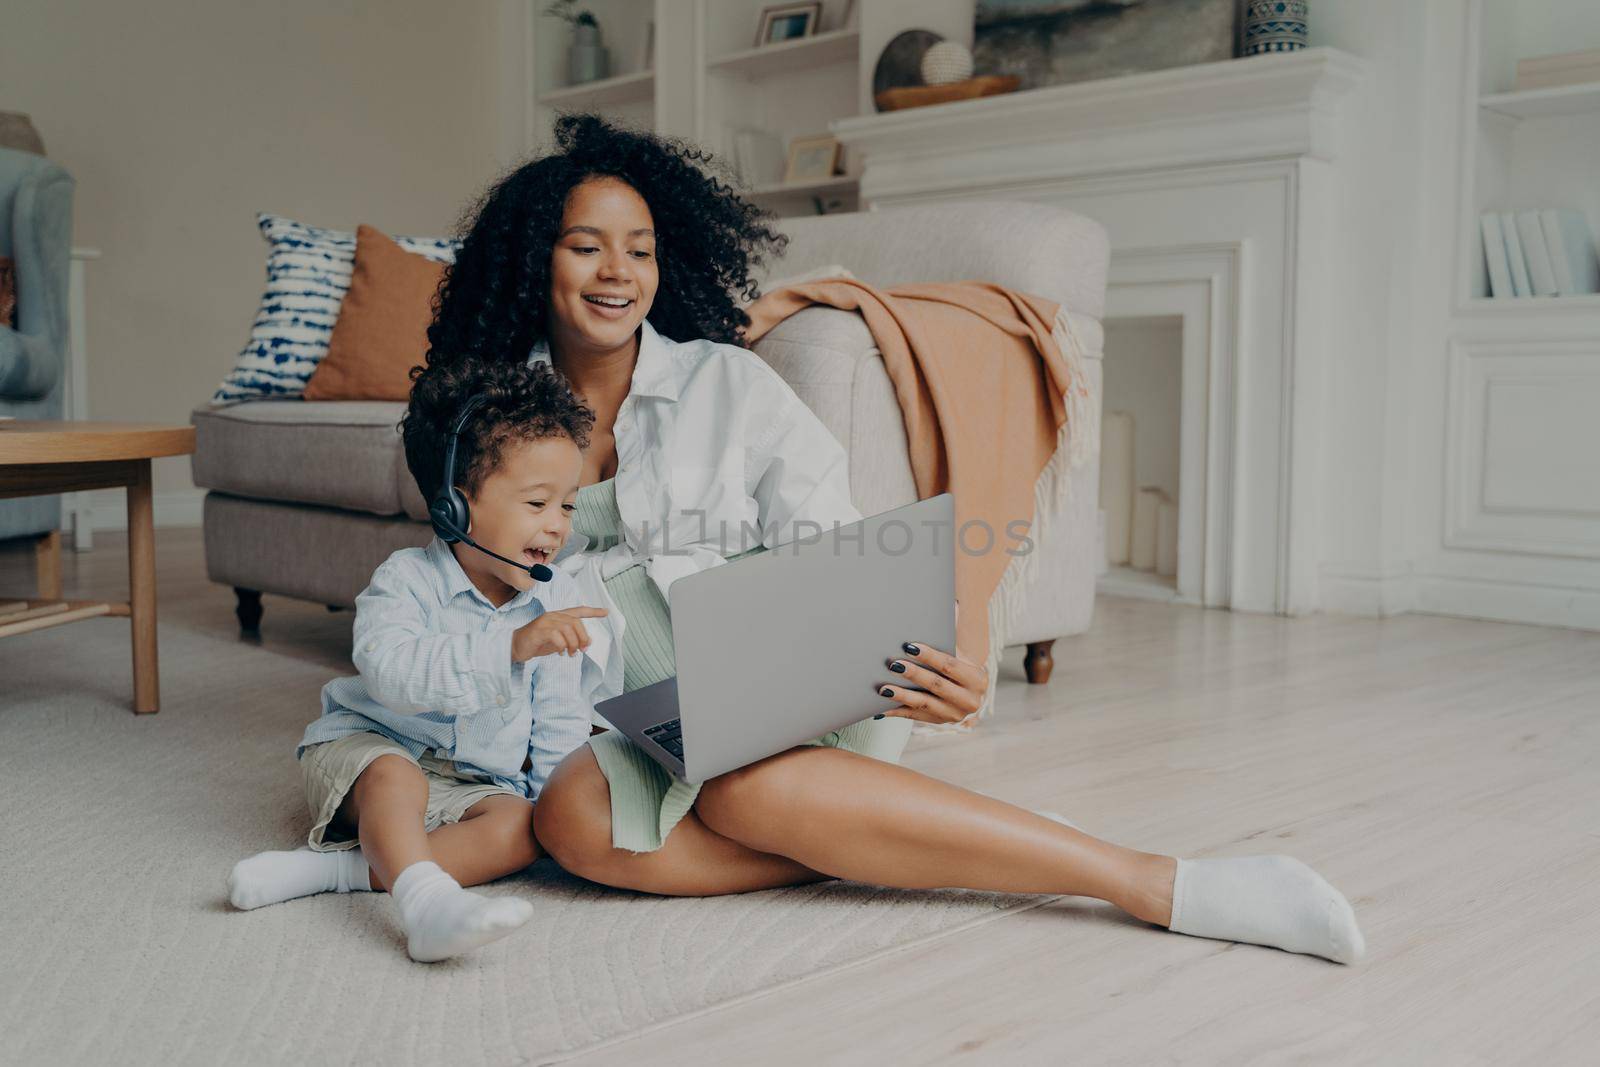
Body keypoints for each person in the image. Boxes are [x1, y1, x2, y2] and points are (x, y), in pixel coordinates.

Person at [422, 114, 1367, 964]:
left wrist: (944, 661)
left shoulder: (728, 385)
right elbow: (461, 592)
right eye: (586, 247)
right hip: (634, 719)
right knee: (572, 822)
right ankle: (914, 838)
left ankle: (1155, 881)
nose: (618, 272)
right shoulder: (481, 421)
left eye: (641, 248)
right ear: (532, 261)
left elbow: (841, 552)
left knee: (745, 790)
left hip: (775, 695)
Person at [227, 359, 613, 963]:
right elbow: (393, 676)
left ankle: (340, 873)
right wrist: (508, 647)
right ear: (455, 510)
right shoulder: (405, 580)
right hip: (373, 752)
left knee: (525, 828)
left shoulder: (556, 596)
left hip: (475, 781)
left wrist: (557, 811)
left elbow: (559, 719)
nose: (557, 527)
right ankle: (425, 905)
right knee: (396, 778)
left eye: (567, 506)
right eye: (537, 503)